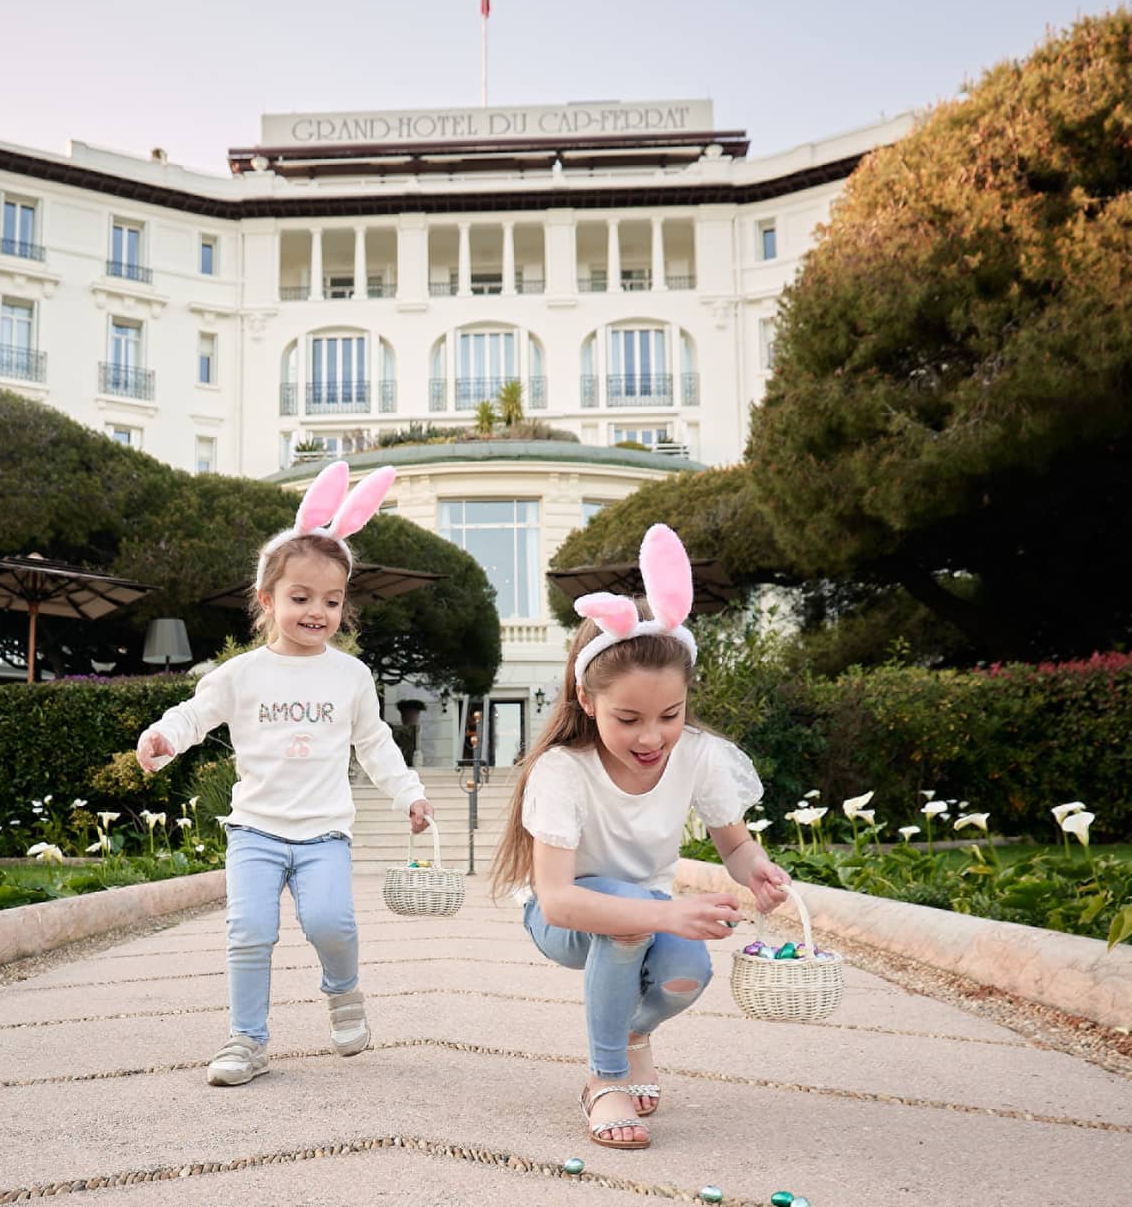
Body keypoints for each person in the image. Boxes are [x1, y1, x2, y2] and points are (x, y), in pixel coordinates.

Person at [488, 523, 789, 1150]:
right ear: (587, 699)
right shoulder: (563, 772)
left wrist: (755, 865)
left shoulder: (700, 757)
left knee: (687, 976)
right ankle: (606, 1078)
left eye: (669, 716)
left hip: (652, 911)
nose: (651, 737)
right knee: (629, 924)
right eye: (629, 719)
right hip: (566, 919)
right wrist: (669, 912)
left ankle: (632, 1034)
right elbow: (559, 900)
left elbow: (732, 842)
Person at [136, 460, 432, 1087]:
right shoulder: (241, 674)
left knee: (332, 923)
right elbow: (196, 714)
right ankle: (247, 1041)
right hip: (256, 832)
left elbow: (373, 742)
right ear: (268, 600)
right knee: (248, 931)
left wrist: (409, 792)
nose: (316, 612)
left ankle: (343, 989)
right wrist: (162, 738)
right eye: (300, 599)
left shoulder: (350, 676)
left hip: (324, 833)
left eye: (331, 600)